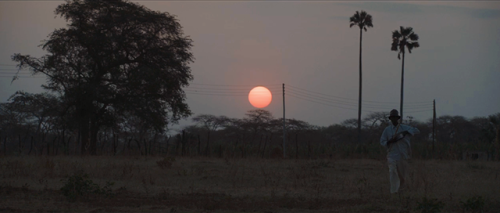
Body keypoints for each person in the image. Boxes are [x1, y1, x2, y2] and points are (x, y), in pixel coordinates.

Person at [380, 109, 420, 193]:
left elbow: (417, 131)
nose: (394, 119)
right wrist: (390, 141)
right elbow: (382, 141)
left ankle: (400, 190)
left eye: (395, 117)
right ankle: (393, 191)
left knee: (402, 174)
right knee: (392, 171)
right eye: (392, 117)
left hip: (403, 155)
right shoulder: (387, 130)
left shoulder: (404, 127)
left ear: (398, 118)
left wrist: (406, 132)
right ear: (390, 119)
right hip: (392, 154)